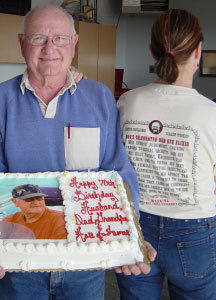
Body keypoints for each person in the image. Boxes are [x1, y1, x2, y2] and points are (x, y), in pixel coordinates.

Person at [0, 5, 156, 300]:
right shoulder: (0, 101)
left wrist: (133, 237)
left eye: (60, 38)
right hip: (19, 264)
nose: (50, 48)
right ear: (22, 44)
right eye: (38, 38)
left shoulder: (99, 97)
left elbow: (116, 170)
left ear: (74, 44)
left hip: (87, 265)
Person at [116, 8, 216, 300]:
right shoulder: (211, 114)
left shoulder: (127, 102)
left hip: (137, 225)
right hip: (195, 230)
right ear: (198, 52)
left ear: (152, 50)